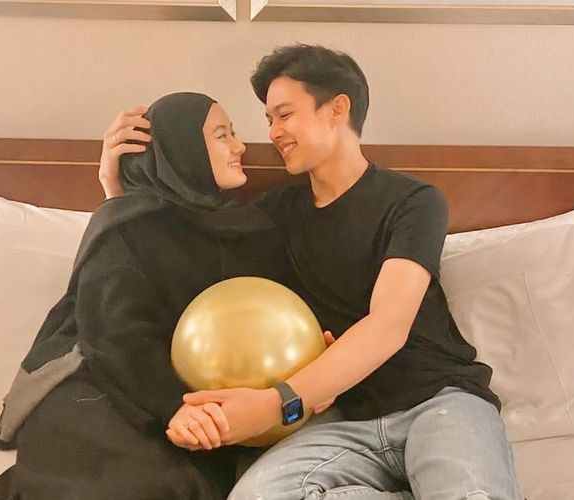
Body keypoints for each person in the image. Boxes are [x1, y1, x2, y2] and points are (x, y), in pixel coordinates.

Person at [101, 45, 523, 499]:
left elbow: (388, 325)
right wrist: (118, 193)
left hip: (437, 400)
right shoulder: (274, 214)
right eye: (269, 119)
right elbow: (173, 254)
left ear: (337, 108)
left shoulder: (413, 201)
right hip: (342, 421)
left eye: (284, 114)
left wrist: (276, 403)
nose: (272, 132)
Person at [0, 92, 321, 500]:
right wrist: (176, 407)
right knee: (118, 483)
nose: (240, 146)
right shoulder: (125, 224)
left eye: (233, 133)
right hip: (102, 384)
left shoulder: (255, 228)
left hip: (193, 399)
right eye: (222, 135)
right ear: (184, 149)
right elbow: (114, 335)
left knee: (174, 483)